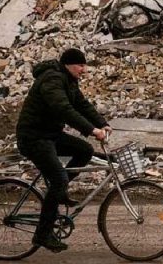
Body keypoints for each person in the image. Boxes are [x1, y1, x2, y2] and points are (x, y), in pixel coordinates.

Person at [16, 48, 111, 253]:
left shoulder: (69, 80)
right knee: (58, 178)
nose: (84, 70)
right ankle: (43, 234)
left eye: (85, 65)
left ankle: (60, 192)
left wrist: (102, 123)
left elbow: (82, 105)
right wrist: (92, 130)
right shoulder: (52, 79)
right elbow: (63, 109)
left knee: (84, 150)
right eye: (81, 65)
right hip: (34, 137)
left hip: (49, 134)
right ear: (69, 64)